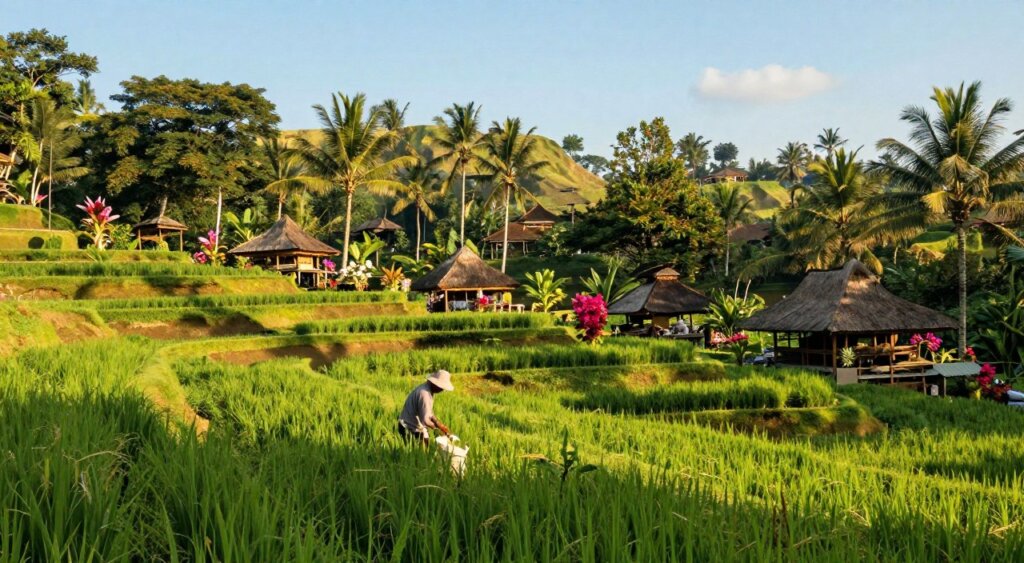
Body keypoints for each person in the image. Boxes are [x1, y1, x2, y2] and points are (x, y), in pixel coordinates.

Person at [397, 370, 454, 444]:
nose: (442, 390)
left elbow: (428, 412)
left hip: (409, 424)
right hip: (409, 428)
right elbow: (426, 420)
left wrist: (440, 425)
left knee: (423, 448)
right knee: (420, 452)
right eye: (441, 387)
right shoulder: (425, 394)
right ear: (435, 384)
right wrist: (438, 430)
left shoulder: (426, 388)